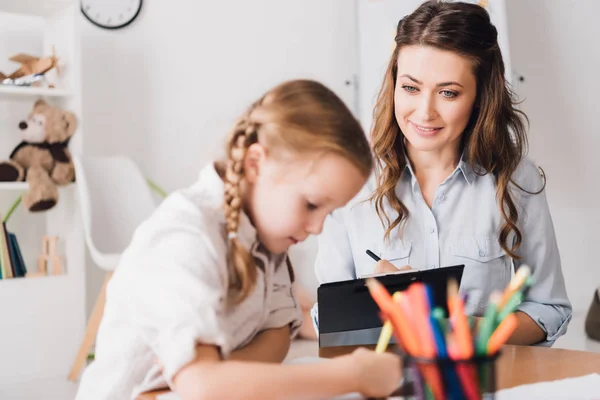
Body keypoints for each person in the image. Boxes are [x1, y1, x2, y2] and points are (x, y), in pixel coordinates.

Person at [75, 80, 402, 400]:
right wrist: (353, 373)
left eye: (328, 214)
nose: (317, 228)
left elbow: (277, 337)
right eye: (311, 205)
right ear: (255, 164)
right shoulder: (186, 236)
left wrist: (224, 375)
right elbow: (203, 387)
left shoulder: (270, 240)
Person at [314, 0, 571, 347]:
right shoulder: (354, 179)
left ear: (481, 96)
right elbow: (325, 320)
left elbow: (549, 308)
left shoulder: (515, 179)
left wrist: (455, 330)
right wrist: (378, 308)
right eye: (410, 88)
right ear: (394, 84)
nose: (424, 112)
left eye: (448, 92)